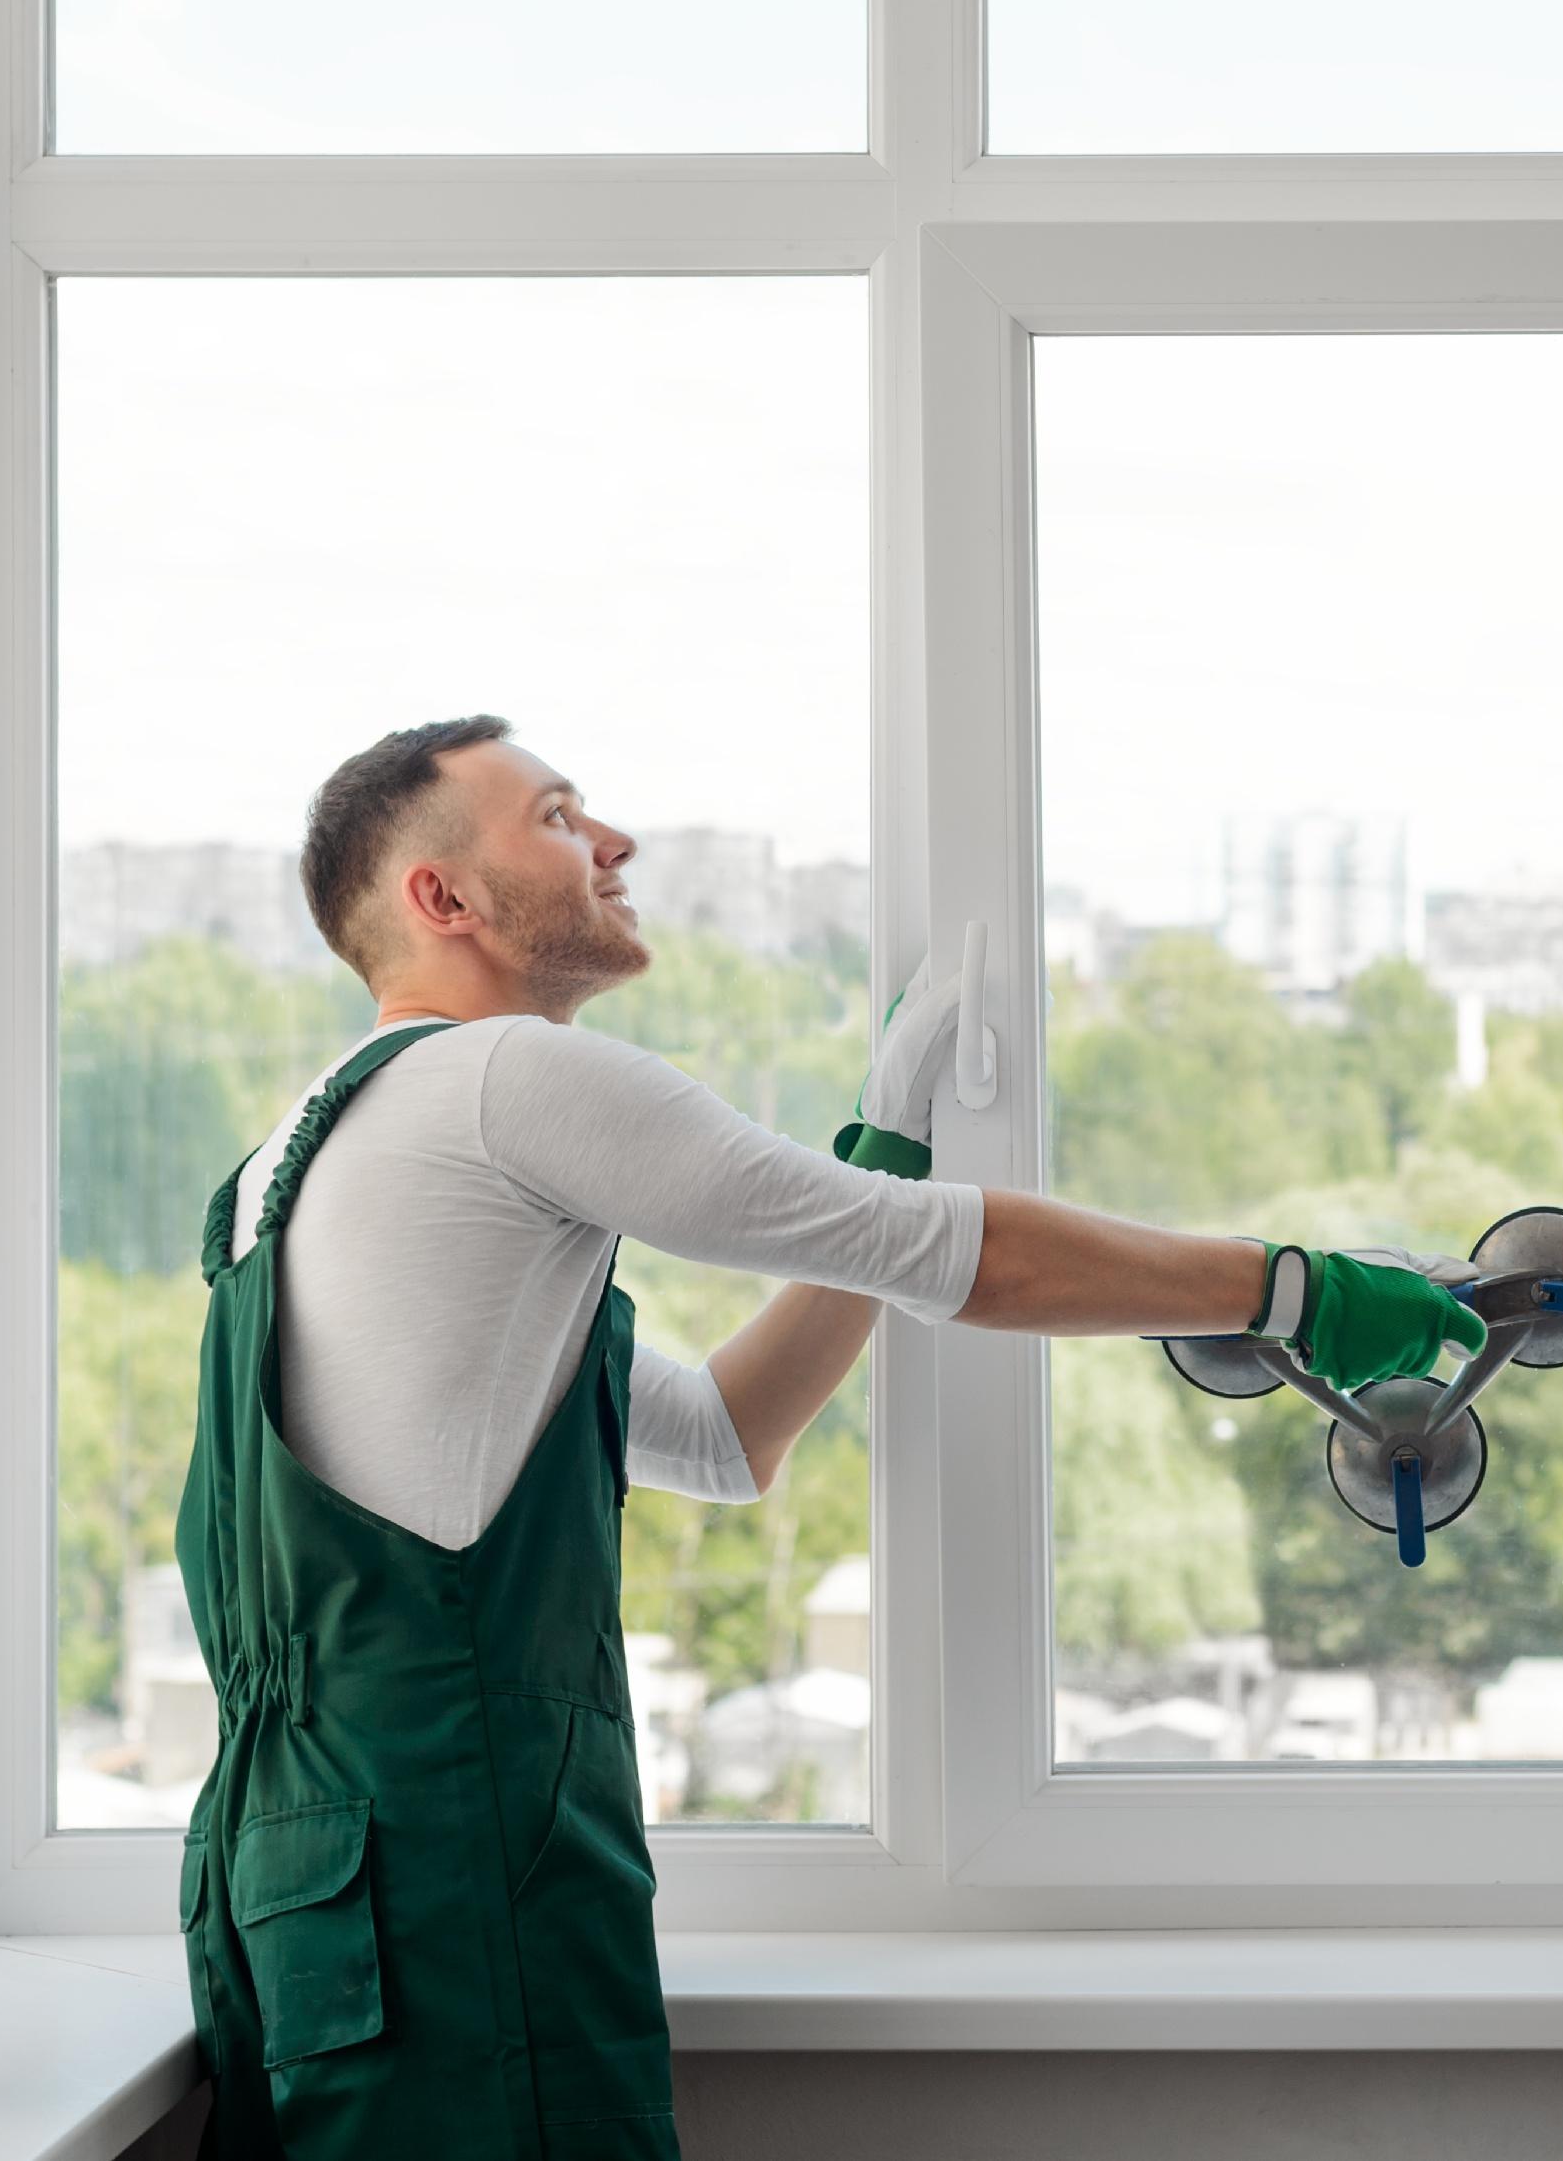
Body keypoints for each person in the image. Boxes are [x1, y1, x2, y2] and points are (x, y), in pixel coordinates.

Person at [173, 714, 1484, 2161]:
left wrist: (882, 1140)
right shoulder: (506, 1082)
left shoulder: (288, 1169)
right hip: (453, 1880)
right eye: (555, 817)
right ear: (444, 899)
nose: (612, 844)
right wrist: (1293, 1288)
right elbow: (962, 1263)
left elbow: (728, 1434)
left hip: (304, 1893)